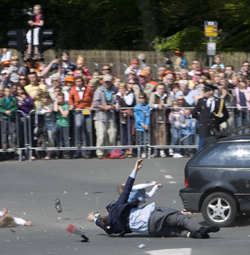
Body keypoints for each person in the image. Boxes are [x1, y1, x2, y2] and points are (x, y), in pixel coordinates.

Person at [87, 159, 220, 239]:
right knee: (178, 218)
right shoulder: (116, 209)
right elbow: (127, 188)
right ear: (108, 213)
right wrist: (135, 169)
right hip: (152, 216)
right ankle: (200, 230)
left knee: (176, 232)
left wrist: (94, 220)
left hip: (151, 230)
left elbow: (104, 226)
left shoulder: (112, 228)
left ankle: (193, 235)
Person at [192, 85, 229, 151]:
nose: (204, 93)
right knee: (202, 145)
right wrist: (201, 120)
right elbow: (194, 114)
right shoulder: (201, 101)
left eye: (206, 91)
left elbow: (226, 115)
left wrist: (217, 121)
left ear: (211, 92)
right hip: (204, 127)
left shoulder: (219, 101)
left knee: (214, 146)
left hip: (214, 127)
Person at [93, 74, 118, 159]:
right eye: (105, 82)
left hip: (111, 116)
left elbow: (118, 100)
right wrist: (104, 107)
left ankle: (109, 151)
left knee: (112, 134)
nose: (107, 83)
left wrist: (116, 106)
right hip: (100, 116)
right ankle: (99, 152)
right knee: (101, 134)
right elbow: (95, 103)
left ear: (111, 82)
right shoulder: (99, 91)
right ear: (103, 82)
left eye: (108, 82)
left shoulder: (115, 90)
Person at [69, 76, 94, 159]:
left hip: (87, 111)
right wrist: (71, 105)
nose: (78, 83)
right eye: (77, 81)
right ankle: (78, 148)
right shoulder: (73, 89)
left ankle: (87, 151)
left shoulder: (88, 89)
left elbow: (93, 98)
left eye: (80, 81)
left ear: (82, 82)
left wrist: (92, 106)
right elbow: (70, 99)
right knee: (78, 126)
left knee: (88, 131)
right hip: (78, 111)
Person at [149, 83, 172, 157]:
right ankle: (155, 151)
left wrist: (163, 106)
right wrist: (157, 106)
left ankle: (162, 151)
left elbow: (170, 103)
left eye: (162, 88)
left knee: (163, 135)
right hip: (155, 118)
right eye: (160, 88)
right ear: (156, 89)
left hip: (163, 118)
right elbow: (150, 104)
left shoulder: (167, 95)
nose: (161, 90)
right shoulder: (153, 94)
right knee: (155, 135)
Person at [53, 93, 70, 158]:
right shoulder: (57, 104)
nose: (60, 100)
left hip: (65, 123)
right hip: (58, 122)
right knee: (54, 131)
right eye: (59, 99)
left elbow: (65, 115)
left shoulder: (66, 105)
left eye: (61, 99)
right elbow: (55, 110)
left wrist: (61, 109)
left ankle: (67, 153)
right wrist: (56, 102)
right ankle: (59, 144)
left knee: (66, 139)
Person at [134, 92, 150, 158]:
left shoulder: (148, 106)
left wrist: (146, 124)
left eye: (143, 98)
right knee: (140, 140)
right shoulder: (136, 107)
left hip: (146, 126)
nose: (141, 99)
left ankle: (145, 151)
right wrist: (141, 123)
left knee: (146, 140)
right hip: (139, 126)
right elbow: (136, 116)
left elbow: (148, 116)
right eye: (140, 98)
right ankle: (141, 152)